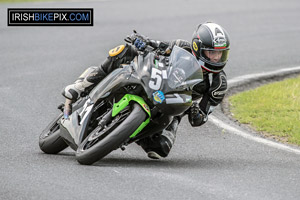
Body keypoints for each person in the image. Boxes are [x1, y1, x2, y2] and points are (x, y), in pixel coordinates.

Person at [62, 22, 230, 159]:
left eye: (221, 54)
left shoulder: (218, 84)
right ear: (197, 47)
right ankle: (81, 86)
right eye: (211, 53)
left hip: (174, 106)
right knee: (123, 51)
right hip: (156, 79)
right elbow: (158, 46)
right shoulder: (182, 46)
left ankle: (126, 133)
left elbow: (201, 118)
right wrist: (142, 41)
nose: (216, 58)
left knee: (160, 149)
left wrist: (196, 112)